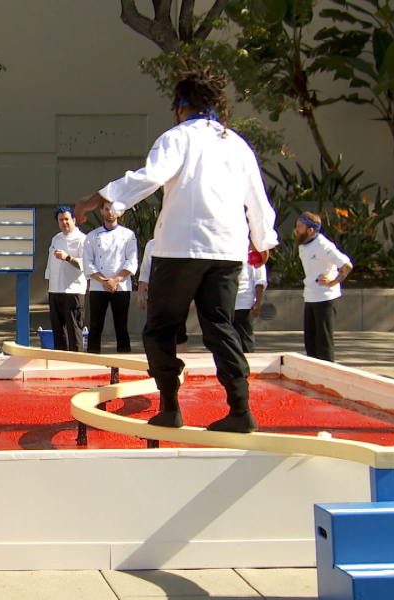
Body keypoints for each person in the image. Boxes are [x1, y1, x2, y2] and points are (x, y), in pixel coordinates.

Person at [76, 65, 278, 433]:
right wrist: (263, 241)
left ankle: (170, 407)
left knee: (160, 329)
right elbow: (257, 198)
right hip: (227, 250)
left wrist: (100, 198)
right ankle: (240, 410)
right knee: (220, 327)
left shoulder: (177, 137)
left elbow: (151, 176)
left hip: (180, 248)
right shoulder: (238, 145)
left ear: (180, 107)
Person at [295, 212, 352, 362]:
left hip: (325, 298)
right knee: (310, 341)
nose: (296, 230)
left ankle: (328, 371)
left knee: (324, 342)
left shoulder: (323, 245)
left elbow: (346, 266)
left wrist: (332, 282)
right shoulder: (303, 245)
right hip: (310, 296)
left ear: (310, 230)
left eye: (299, 227)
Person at [83, 202, 137, 353]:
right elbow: (87, 262)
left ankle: (124, 358)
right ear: (101, 211)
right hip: (97, 287)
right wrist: (103, 281)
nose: (110, 213)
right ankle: (93, 358)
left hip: (121, 287)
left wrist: (116, 280)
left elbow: (132, 261)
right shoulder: (92, 236)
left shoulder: (128, 235)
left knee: (121, 327)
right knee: (95, 326)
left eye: (112, 209)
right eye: (106, 209)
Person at [44, 205, 87, 351]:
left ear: (74, 220)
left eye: (67, 219)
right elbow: (50, 264)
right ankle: (60, 359)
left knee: (74, 331)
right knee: (58, 332)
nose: (64, 223)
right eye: (61, 220)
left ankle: (77, 360)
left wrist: (67, 257)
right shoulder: (56, 239)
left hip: (73, 291)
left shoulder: (82, 240)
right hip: (55, 290)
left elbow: (85, 265)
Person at [137, 238, 189, 353]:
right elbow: (145, 270)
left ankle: (182, 360)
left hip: (176, 295)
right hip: (155, 295)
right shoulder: (151, 244)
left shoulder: (181, 242)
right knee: (153, 330)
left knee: (178, 334)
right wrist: (140, 293)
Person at [234, 248, 268, 353]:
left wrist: (258, 302)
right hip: (227, 303)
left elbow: (260, 280)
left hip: (244, 303)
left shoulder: (255, 255)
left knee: (245, 339)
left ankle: (249, 361)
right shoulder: (228, 251)